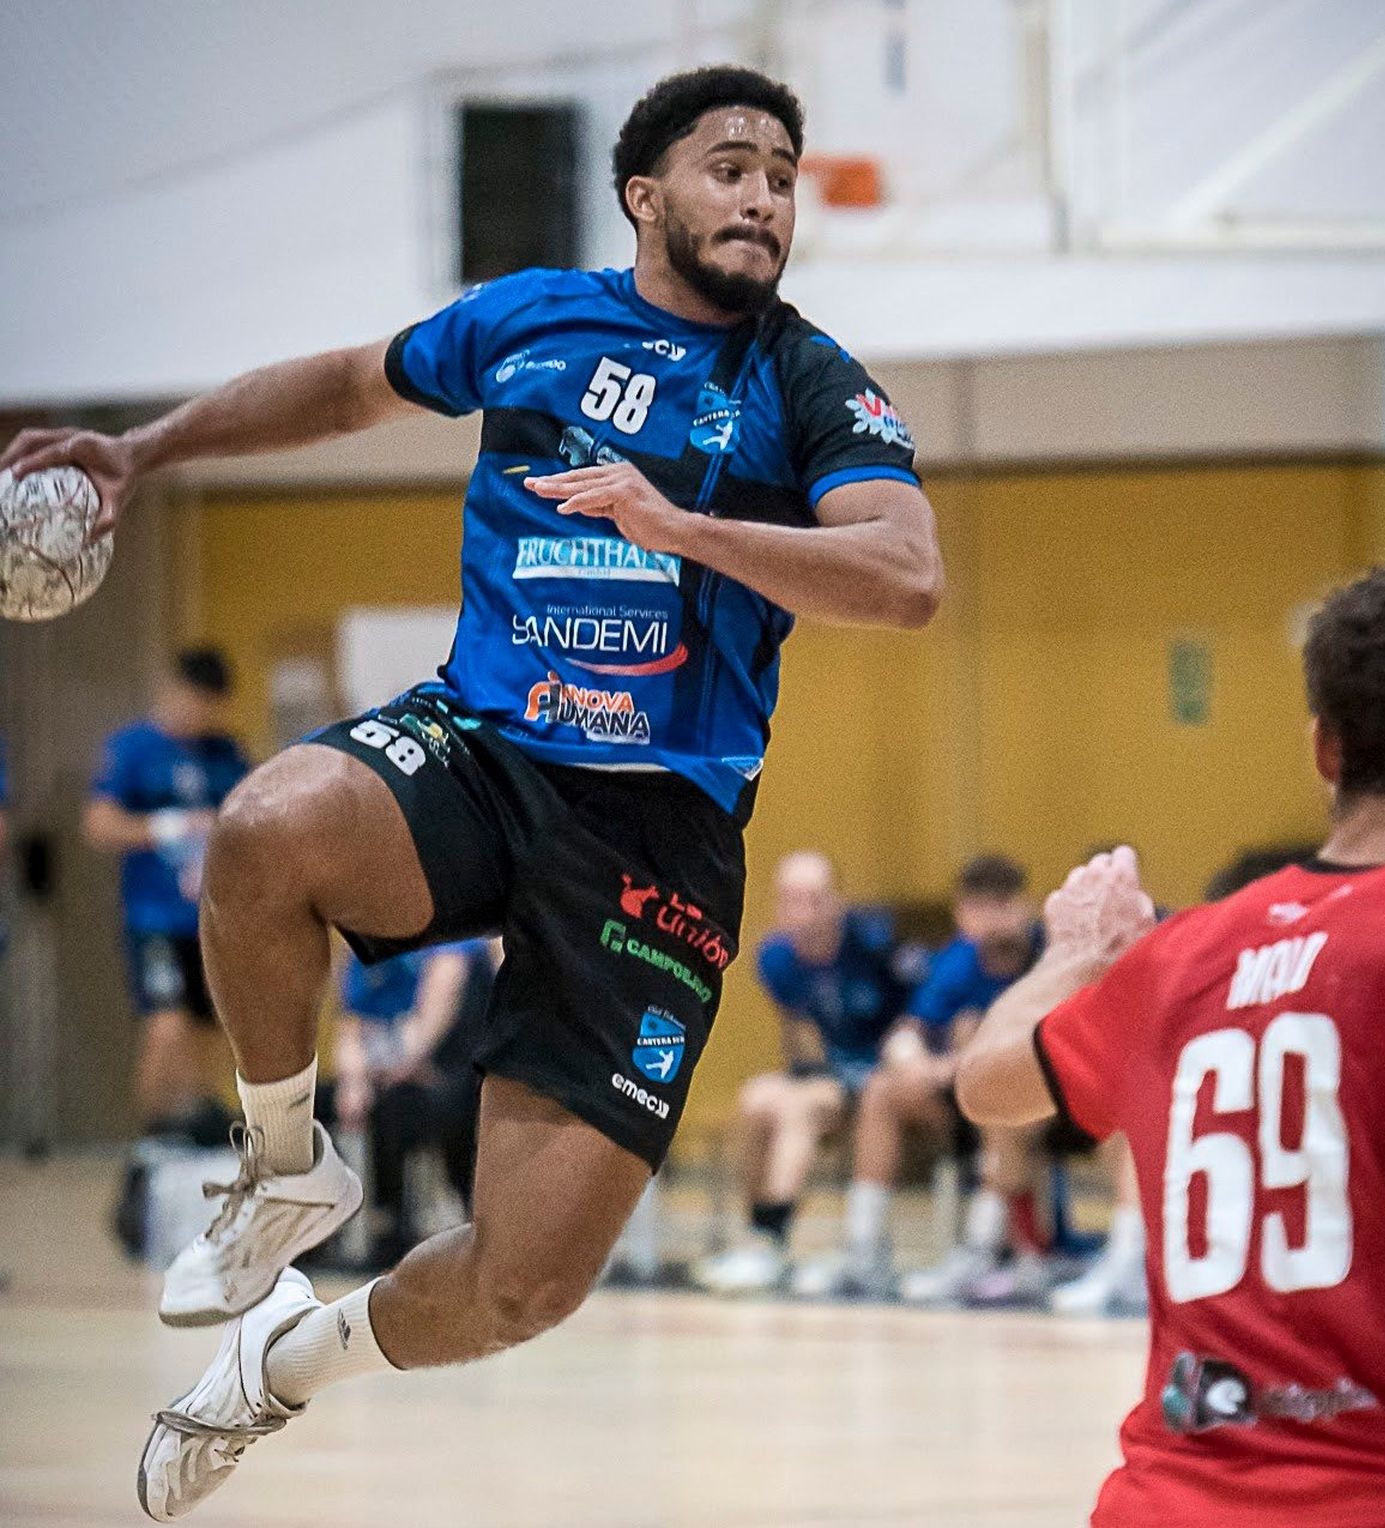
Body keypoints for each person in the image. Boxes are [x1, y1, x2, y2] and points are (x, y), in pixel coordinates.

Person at [1, 63, 942, 1522]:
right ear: (646, 194)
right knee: (262, 832)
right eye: (729, 168)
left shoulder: (810, 381)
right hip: (484, 747)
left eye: (780, 177)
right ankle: (282, 1165)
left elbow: (907, 576)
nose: (761, 197)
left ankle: (284, 1368)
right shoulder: (532, 320)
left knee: (523, 1285)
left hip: (659, 830)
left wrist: (678, 524)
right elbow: (338, 386)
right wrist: (145, 448)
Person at [956, 564, 1385, 1528]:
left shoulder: (1181, 954)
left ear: (1324, 748)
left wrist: (1075, 958)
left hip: (1163, 1505)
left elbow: (987, 1084)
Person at [793, 853, 1042, 1301]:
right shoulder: (958, 961)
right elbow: (908, 1032)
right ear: (963, 914)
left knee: (988, 1062)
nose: (990, 921)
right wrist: (914, 1062)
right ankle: (863, 1249)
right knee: (882, 1092)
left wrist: (965, 1060)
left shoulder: (1047, 957)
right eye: (979, 908)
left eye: (1002, 906)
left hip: (1041, 1099)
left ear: (1023, 908)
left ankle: (983, 1250)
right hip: (968, 1095)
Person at [691, 851, 916, 1294]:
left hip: (883, 1071)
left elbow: (921, 1002)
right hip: (832, 1070)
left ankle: (773, 1239)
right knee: (757, 1099)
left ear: (835, 901)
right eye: (790, 900)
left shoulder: (873, 939)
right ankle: (759, 1236)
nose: (801, 911)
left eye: (812, 899)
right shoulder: (776, 957)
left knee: (800, 1109)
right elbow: (799, 1036)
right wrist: (807, 1071)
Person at [83, 649, 248, 1139]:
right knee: (165, 1024)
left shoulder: (225, 754)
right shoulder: (133, 749)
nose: (200, 716)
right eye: (194, 702)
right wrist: (170, 824)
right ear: (173, 689)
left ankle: (194, 1125)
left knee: (210, 1028)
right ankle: (153, 1137)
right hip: (154, 916)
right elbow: (98, 825)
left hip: (210, 918)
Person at [324, 938, 498, 1265]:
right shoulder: (363, 945)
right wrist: (353, 1083)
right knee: (329, 1104)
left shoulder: (455, 944)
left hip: (457, 1066)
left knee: (403, 1108)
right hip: (395, 1062)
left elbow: (434, 1013)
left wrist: (396, 1065)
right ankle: (336, 1234)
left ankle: (423, 1225)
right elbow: (350, 1027)